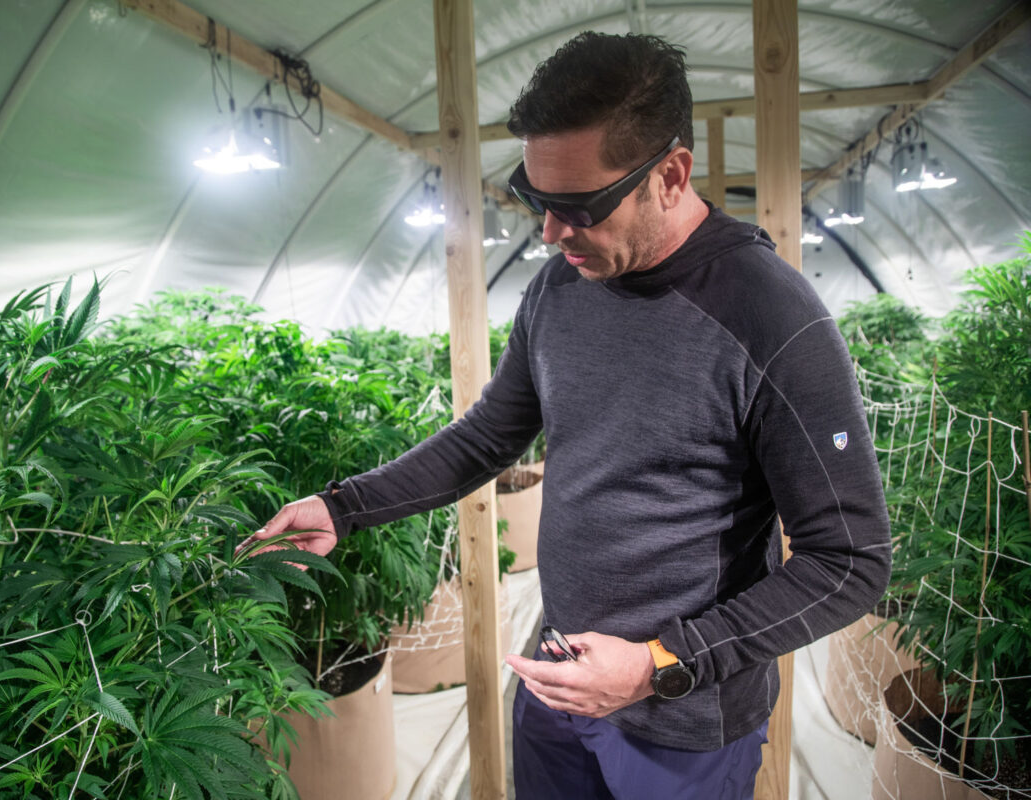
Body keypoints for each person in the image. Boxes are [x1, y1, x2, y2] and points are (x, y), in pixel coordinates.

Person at [238, 31, 891, 799]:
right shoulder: (559, 289)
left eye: (578, 207)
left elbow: (849, 560)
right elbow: (488, 437)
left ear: (671, 175)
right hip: (556, 682)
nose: (549, 233)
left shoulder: (770, 315)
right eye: (535, 199)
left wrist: (658, 664)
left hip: (681, 724)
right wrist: (343, 507)